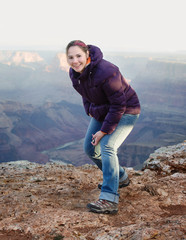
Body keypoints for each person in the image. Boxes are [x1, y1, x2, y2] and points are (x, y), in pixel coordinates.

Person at [66, 40, 140, 214]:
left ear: (87, 54)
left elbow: (119, 104)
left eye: (78, 56)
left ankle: (109, 198)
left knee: (107, 146)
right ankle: (120, 177)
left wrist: (104, 131)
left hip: (126, 111)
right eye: (71, 57)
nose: (75, 61)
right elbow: (84, 93)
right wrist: (89, 110)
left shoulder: (107, 71)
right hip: (103, 110)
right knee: (90, 149)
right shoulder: (74, 73)